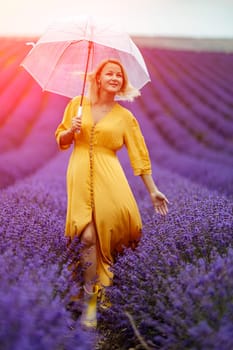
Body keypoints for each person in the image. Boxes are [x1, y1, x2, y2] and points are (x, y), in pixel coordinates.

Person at [55, 58, 169, 328]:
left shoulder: (125, 117)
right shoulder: (77, 104)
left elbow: (139, 155)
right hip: (79, 173)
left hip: (111, 177)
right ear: (98, 78)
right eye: (110, 73)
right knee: (87, 236)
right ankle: (91, 299)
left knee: (106, 235)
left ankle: (96, 298)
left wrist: (152, 190)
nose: (116, 78)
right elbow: (60, 138)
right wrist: (71, 130)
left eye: (119, 75)